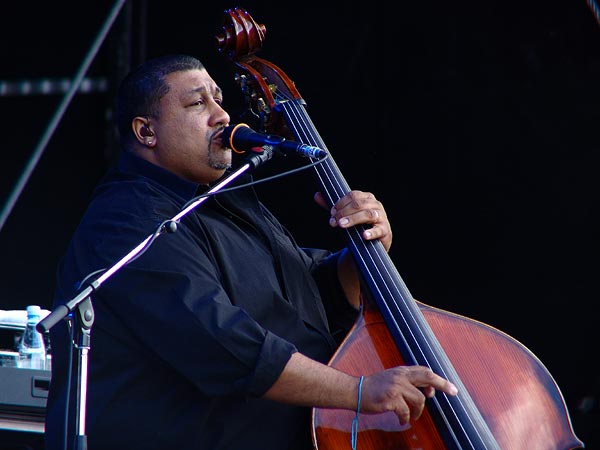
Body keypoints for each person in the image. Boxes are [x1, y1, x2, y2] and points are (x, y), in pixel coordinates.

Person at [44, 54, 458, 450]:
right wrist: (358, 389)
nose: (222, 115)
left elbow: (312, 295)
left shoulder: (227, 200)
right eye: (197, 103)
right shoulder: (126, 219)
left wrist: (365, 251)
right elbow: (222, 344)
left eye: (219, 99)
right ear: (146, 132)